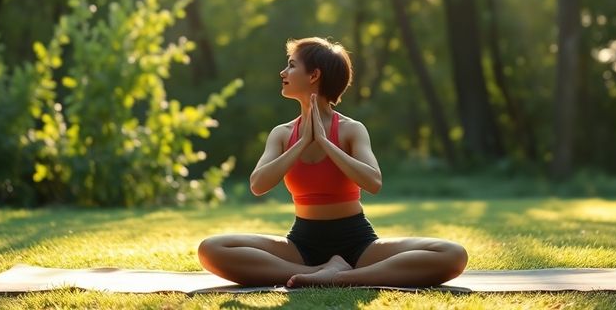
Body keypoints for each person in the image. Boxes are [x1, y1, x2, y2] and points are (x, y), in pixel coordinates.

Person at [198, 37, 467, 288]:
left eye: (291, 66)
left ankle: (341, 276)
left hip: (357, 242)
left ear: (314, 75)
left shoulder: (352, 130)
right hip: (302, 243)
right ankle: (319, 274)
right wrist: (302, 142)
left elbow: (373, 182)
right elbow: (258, 185)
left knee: (453, 254)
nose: (283, 73)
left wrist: (327, 144)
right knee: (211, 249)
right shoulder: (282, 134)